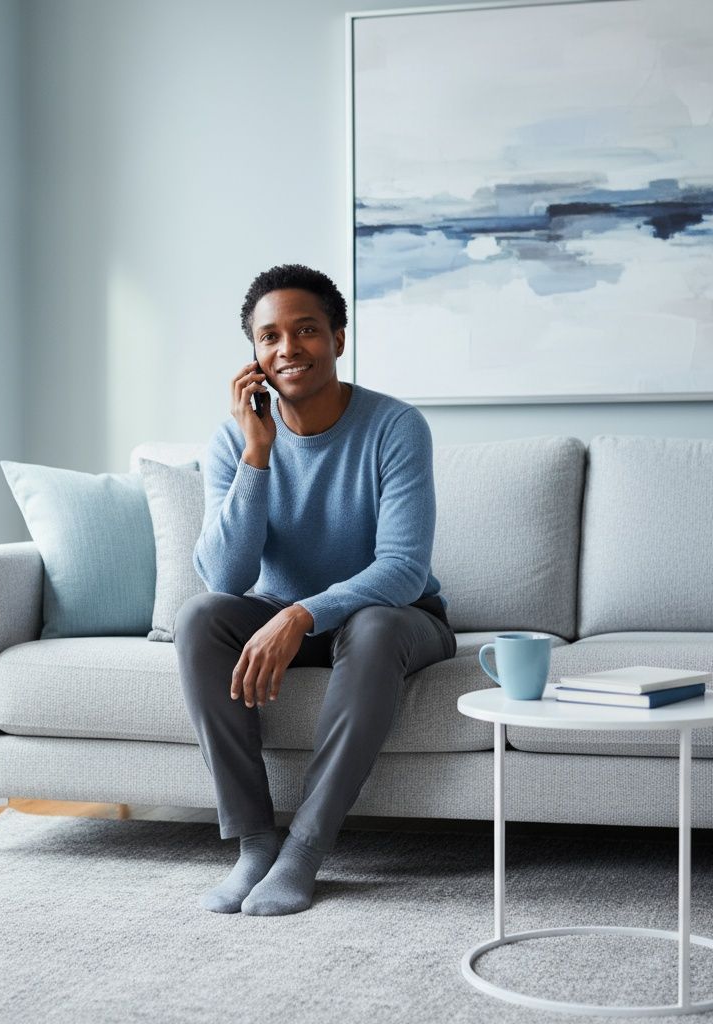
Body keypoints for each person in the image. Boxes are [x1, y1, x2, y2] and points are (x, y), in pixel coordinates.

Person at [172, 263, 457, 916]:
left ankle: (304, 850)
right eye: (270, 337)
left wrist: (302, 612)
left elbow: (404, 569)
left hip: (398, 619)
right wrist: (258, 453)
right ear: (255, 356)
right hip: (285, 619)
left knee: (378, 623)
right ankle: (254, 845)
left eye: (306, 330)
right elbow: (226, 578)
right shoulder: (234, 441)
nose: (288, 348)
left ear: (338, 338)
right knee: (201, 619)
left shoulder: (395, 426)